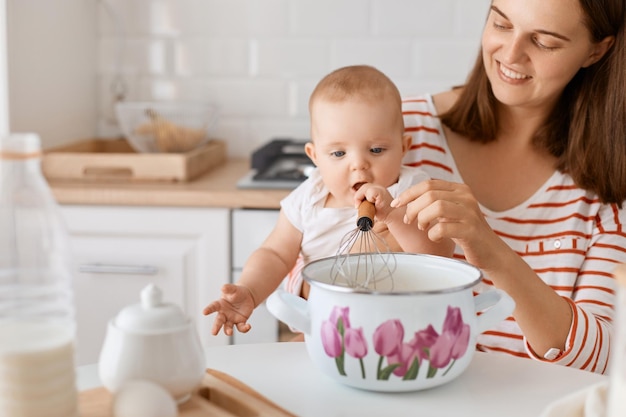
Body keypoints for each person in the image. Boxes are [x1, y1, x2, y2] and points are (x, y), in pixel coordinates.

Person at [389, 0, 626, 374]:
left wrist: (492, 252)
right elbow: (306, 261)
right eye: (501, 24)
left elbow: (605, 360)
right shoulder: (398, 134)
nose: (511, 54)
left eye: (545, 42)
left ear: (597, 50)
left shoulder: (607, 189)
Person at [203, 65, 454, 337]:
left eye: (377, 150)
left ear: (404, 147)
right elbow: (274, 254)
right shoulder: (308, 199)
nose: (359, 164)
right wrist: (250, 290)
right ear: (314, 156)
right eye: (337, 153)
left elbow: (440, 255)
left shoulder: (412, 189)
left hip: (400, 332)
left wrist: (393, 216)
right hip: (323, 330)